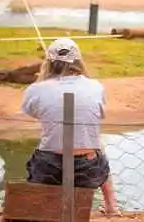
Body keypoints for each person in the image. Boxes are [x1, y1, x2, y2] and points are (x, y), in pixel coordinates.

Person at [20, 38, 120, 215]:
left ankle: (41, 204)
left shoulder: (35, 89)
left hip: (49, 169)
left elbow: (35, 113)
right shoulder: (96, 87)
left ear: (48, 63)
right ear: (78, 60)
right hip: (88, 171)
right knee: (98, 146)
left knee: (46, 144)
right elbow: (99, 115)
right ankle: (112, 205)